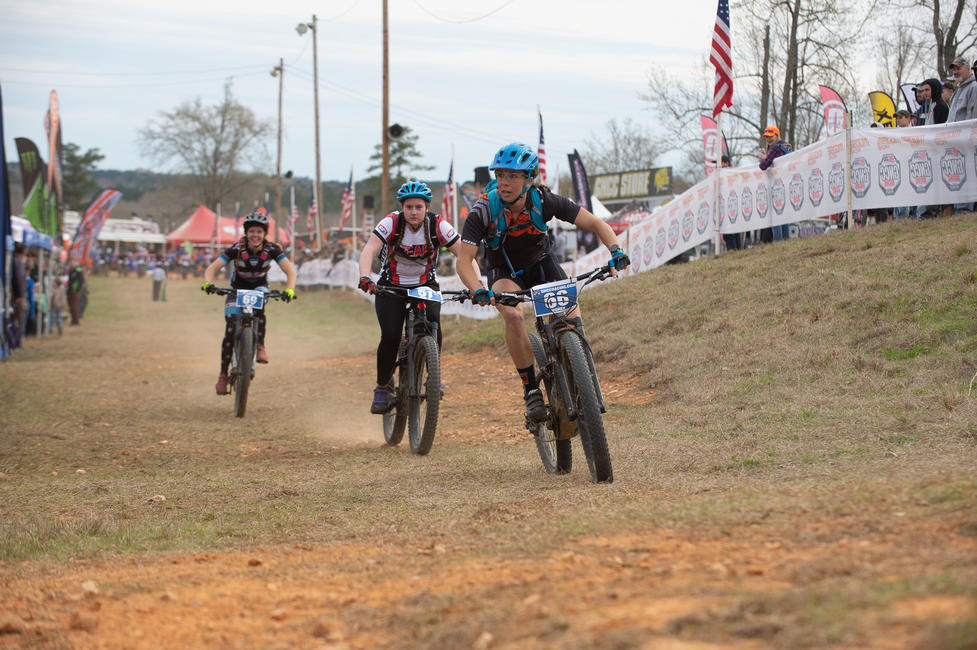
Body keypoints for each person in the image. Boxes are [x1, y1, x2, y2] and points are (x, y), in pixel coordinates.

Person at [454, 143, 630, 422]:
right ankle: (531, 390)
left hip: (541, 264)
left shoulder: (544, 200)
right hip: (504, 272)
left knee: (572, 318)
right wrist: (477, 289)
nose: (504, 182)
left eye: (513, 176)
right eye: (500, 175)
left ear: (529, 179)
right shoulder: (482, 211)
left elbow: (598, 224)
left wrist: (616, 250)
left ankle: (583, 375)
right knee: (513, 314)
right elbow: (464, 261)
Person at [357, 181, 474, 414]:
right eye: (408, 207)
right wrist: (364, 277)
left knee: (433, 324)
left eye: (418, 207)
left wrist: (476, 286)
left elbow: (465, 256)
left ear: (426, 207)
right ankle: (382, 387)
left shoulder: (438, 225)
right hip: (392, 286)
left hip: (424, 284)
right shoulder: (391, 222)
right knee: (390, 335)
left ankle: (433, 376)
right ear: (402, 208)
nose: (413, 212)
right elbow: (369, 250)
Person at [201, 211, 297, 396]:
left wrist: (290, 289)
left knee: (260, 310)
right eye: (252, 231)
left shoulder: (272, 250)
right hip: (235, 290)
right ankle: (222, 374)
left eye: (259, 232)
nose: (255, 235)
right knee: (229, 330)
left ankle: (260, 345)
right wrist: (208, 283)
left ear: (264, 234)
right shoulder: (236, 249)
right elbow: (212, 268)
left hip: (259, 288)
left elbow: (290, 271)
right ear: (246, 233)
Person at [758, 126, 792, 241]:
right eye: (767, 137)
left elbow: (763, 166)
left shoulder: (775, 149)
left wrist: (763, 157)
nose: (768, 139)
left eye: (771, 136)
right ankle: (786, 240)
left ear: (777, 135)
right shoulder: (786, 147)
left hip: (777, 187)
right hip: (787, 184)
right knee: (784, 215)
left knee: (776, 216)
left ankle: (778, 242)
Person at [719, 155, 742, 251]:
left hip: (729, 206)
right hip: (733, 205)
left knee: (730, 232)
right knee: (735, 231)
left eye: (720, 163)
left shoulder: (726, 174)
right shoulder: (733, 173)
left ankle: (732, 250)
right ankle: (738, 250)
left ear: (725, 163)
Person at [10, 243, 27, 348]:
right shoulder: (18, 262)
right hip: (17, 297)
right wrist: (19, 295)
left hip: (15, 295)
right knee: (19, 319)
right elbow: (19, 279)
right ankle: (17, 341)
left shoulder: (14, 261)